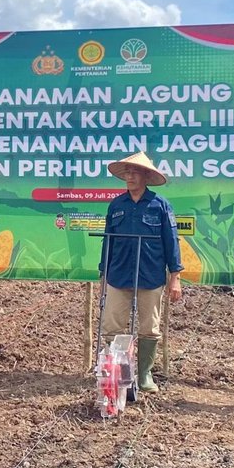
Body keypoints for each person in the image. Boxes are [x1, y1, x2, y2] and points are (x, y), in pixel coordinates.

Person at [98, 152, 182, 395]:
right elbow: (108, 243)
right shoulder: (116, 205)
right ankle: (117, 373)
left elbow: (171, 242)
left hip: (151, 275)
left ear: (146, 176)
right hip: (118, 274)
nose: (130, 176)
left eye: (134, 172)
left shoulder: (160, 205)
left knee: (149, 327)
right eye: (127, 172)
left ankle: (144, 374)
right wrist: (103, 272)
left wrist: (175, 277)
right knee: (112, 325)